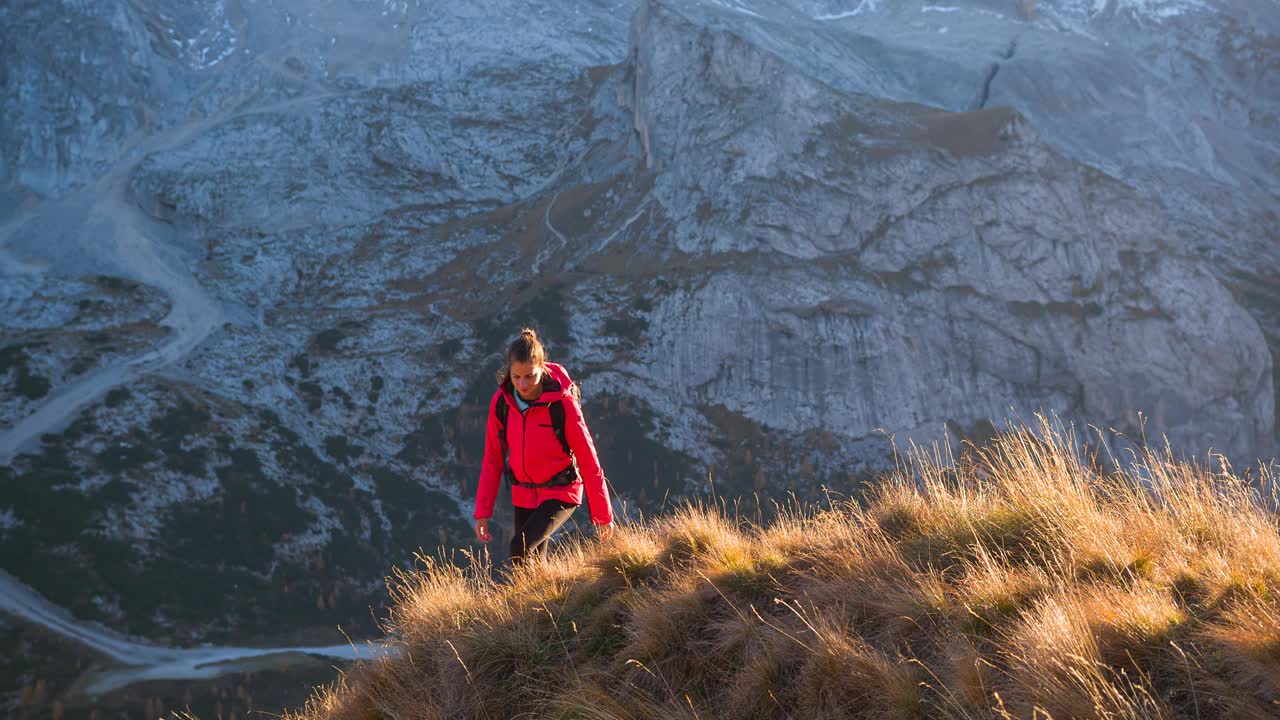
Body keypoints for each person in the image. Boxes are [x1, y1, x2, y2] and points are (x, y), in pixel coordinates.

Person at [474, 328, 613, 564]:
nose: (522, 384)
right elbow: (493, 459)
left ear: (542, 368)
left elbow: (589, 459)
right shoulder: (502, 402)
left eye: (530, 376)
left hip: (562, 490)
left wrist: (602, 515)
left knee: (519, 547)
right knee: (528, 566)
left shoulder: (562, 404)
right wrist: (482, 512)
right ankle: (544, 601)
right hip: (524, 493)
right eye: (516, 376)